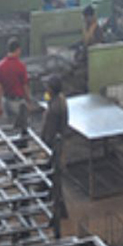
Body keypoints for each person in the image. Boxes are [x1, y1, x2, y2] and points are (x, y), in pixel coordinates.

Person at [40, 75, 70, 219]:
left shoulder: (56, 107)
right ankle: (44, 194)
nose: (46, 89)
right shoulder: (59, 99)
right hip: (55, 143)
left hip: (53, 145)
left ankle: (61, 209)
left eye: (48, 87)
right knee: (49, 173)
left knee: (54, 175)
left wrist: (44, 146)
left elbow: (50, 129)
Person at [0, 38, 32, 126]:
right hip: (18, 102)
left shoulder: (0, 66)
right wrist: (29, 101)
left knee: (11, 127)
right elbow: (25, 86)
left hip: (6, 101)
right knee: (23, 127)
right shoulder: (20, 66)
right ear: (18, 50)